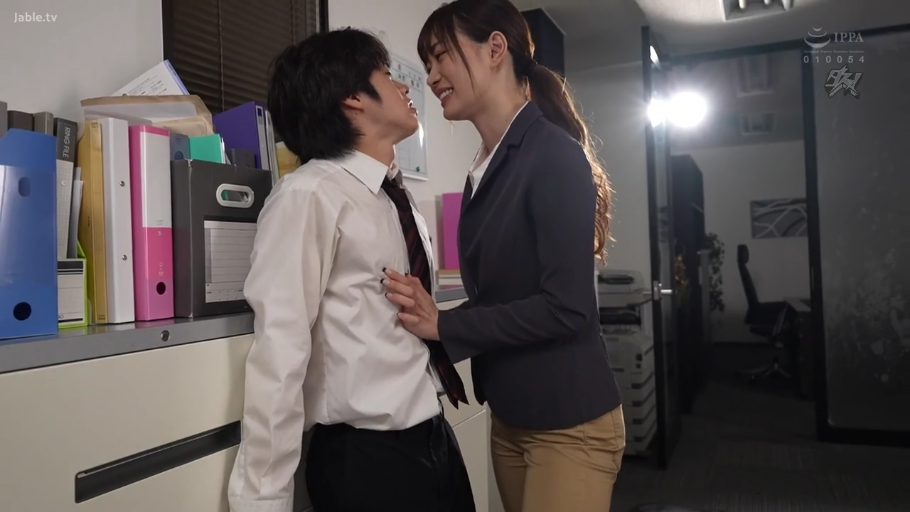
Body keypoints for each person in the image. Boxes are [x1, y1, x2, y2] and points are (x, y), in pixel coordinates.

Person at [382, 1, 625, 511]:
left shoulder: (552, 153)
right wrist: (434, 320)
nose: (432, 76)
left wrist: (445, 326)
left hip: (569, 420)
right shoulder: (484, 169)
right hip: (513, 415)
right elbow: (504, 299)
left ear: (495, 48)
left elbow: (567, 308)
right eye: (427, 64)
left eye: (441, 56)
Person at [227, 28, 476, 512]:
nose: (406, 87)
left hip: (434, 439)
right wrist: (262, 500)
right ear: (352, 98)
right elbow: (280, 355)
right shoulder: (308, 195)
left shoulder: (394, 198)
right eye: (386, 74)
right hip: (367, 460)